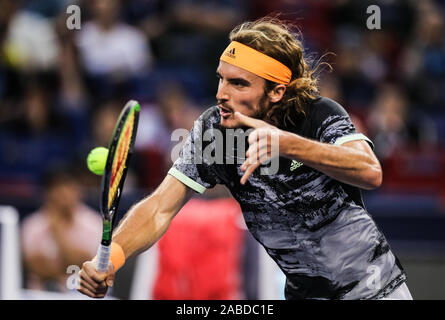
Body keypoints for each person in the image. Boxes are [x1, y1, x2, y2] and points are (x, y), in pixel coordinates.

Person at [77, 18, 412, 300]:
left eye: (239, 84)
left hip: (375, 290)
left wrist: (289, 145)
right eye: (221, 78)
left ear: (277, 92)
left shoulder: (317, 115)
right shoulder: (214, 130)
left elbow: (370, 171)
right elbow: (159, 207)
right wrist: (113, 258)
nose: (222, 92)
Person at [22, 166, 102, 292]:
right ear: (47, 193)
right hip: (40, 294)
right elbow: (35, 266)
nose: (64, 193)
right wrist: (70, 264)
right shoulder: (32, 224)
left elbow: (87, 264)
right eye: (57, 188)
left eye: (69, 187)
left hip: (81, 294)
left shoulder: (94, 223)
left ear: (79, 190)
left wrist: (57, 231)